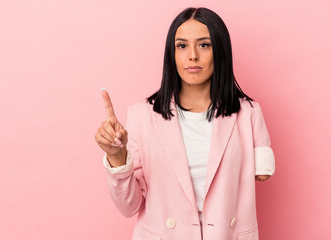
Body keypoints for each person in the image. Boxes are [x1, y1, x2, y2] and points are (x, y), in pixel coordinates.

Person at [95, 7, 275, 240]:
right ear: (172, 54)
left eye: (204, 44)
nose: (192, 55)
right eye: (181, 46)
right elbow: (129, 207)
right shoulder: (142, 116)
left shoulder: (248, 114)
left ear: (220, 51)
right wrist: (117, 157)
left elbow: (261, 174)